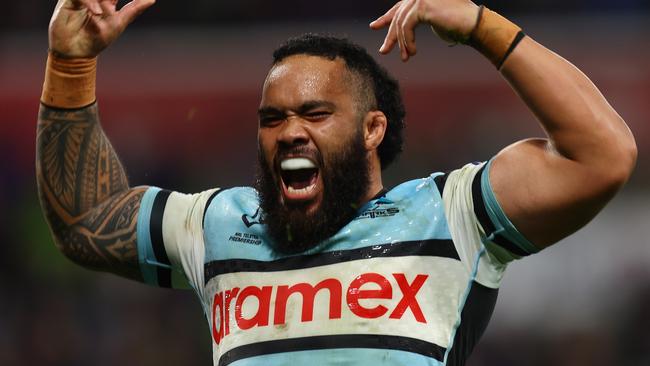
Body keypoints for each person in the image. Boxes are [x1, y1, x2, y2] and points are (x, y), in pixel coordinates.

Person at [36, 0, 636, 365]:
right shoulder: (217, 224)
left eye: (315, 115)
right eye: (272, 119)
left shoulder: (449, 214)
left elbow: (602, 154)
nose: (289, 132)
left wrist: (483, 27)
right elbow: (87, 221)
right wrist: (70, 63)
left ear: (373, 129)